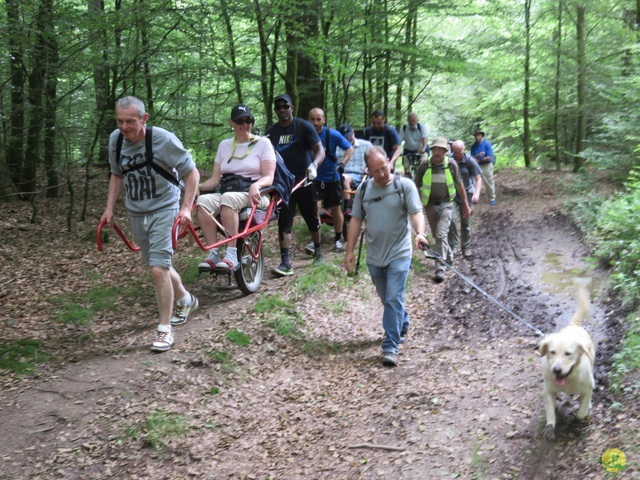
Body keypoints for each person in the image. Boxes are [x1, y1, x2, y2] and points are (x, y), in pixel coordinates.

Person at [101, 96, 200, 352]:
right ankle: (186, 299)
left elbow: (192, 172)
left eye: (130, 122)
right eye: (120, 121)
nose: (124, 127)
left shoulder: (162, 140)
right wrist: (109, 208)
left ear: (144, 119)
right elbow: (116, 174)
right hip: (136, 211)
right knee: (159, 266)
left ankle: (165, 330)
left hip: (165, 208)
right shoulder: (116, 140)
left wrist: (186, 208)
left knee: (158, 268)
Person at [344, 146, 427, 367]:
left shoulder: (404, 186)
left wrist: (419, 233)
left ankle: (390, 346)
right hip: (374, 255)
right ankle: (403, 320)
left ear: (389, 162)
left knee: (392, 297)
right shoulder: (363, 191)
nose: (382, 174)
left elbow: (416, 213)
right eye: (376, 171)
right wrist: (349, 251)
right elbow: (355, 221)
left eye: (384, 168)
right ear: (367, 171)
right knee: (388, 298)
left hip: (400, 252)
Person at [196, 104, 276, 271]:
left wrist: (257, 185)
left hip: (255, 194)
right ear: (231, 123)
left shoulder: (263, 143)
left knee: (227, 199)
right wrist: (197, 186)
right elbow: (215, 180)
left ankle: (231, 254)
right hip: (228, 190)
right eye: (240, 121)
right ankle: (213, 252)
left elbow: (269, 176)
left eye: (249, 120)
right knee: (202, 201)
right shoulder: (224, 145)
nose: (245, 125)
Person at [265, 94, 325, 276]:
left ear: (291, 108)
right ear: (275, 110)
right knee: (284, 221)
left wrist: (314, 165)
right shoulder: (271, 132)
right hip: (283, 184)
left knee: (312, 219)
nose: (282, 110)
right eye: (279, 107)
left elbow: (319, 150)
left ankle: (318, 251)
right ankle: (285, 262)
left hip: (304, 180)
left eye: (286, 106)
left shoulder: (303, 126)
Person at [414, 137, 470, 283]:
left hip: (447, 204)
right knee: (437, 236)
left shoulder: (451, 165)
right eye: (435, 149)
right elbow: (415, 186)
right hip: (429, 205)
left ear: (445, 151)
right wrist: (415, 206)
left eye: (441, 149)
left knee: (440, 234)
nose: (437, 152)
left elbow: (459, 185)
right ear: (431, 150)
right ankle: (449, 256)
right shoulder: (424, 165)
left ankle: (440, 267)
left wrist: (465, 205)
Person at [306, 108, 354, 253]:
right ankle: (316, 240)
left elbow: (349, 148)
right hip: (314, 179)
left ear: (324, 120)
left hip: (332, 179)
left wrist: (342, 164)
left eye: (318, 119)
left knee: (335, 209)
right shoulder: (305, 135)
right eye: (312, 119)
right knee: (315, 209)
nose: (315, 122)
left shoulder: (332, 134)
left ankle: (338, 239)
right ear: (308, 119)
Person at [448, 140, 482, 258]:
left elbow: (478, 178)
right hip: (451, 194)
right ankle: (453, 246)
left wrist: (476, 194)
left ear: (464, 149)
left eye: (460, 152)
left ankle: (466, 247)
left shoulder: (470, 161)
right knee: (451, 219)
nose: (457, 154)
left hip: (467, 193)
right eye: (455, 152)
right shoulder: (449, 161)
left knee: (465, 221)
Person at [336, 123, 373, 211]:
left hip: (361, 175)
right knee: (343, 178)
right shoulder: (337, 148)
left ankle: (347, 207)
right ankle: (342, 206)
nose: (348, 138)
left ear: (353, 133)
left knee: (344, 178)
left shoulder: (366, 145)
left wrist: (369, 167)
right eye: (345, 137)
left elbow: (374, 159)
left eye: (349, 135)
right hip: (342, 175)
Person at [397, 113, 429, 178]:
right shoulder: (404, 128)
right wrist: (398, 149)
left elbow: (424, 139)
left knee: (423, 162)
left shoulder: (421, 127)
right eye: (410, 120)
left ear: (417, 120)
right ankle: (407, 174)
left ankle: (421, 174)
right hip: (408, 149)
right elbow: (399, 140)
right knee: (405, 163)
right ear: (408, 120)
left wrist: (423, 148)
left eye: (413, 120)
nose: (412, 122)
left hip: (420, 149)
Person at [470, 129, 496, 205]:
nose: (477, 137)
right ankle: (474, 197)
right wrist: (478, 156)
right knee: (474, 182)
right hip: (477, 165)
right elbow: (472, 157)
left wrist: (478, 159)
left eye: (478, 135)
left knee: (489, 181)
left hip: (486, 165)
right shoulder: (473, 146)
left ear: (481, 136)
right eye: (476, 135)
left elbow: (489, 157)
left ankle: (492, 198)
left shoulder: (487, 143)